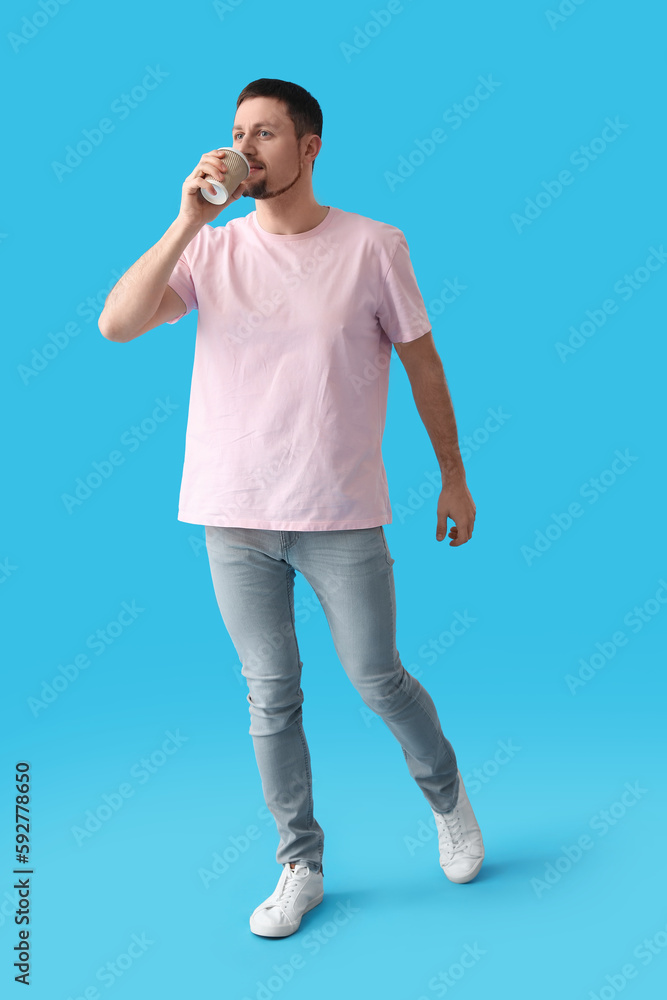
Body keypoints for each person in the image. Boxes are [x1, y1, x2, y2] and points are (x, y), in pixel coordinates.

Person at [99, 77, 484, 939]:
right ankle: (299, 863)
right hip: (232, 513)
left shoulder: (373, 245)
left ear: (308, 148)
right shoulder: (213, 250)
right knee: (269, 695)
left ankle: (447, 799)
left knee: (376, 677)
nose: (246, 148)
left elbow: (424, 368)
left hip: (339, 510)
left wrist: (453, 475)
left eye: (265, 134)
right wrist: (187, 222)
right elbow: (116, 325)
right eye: (238, 133)